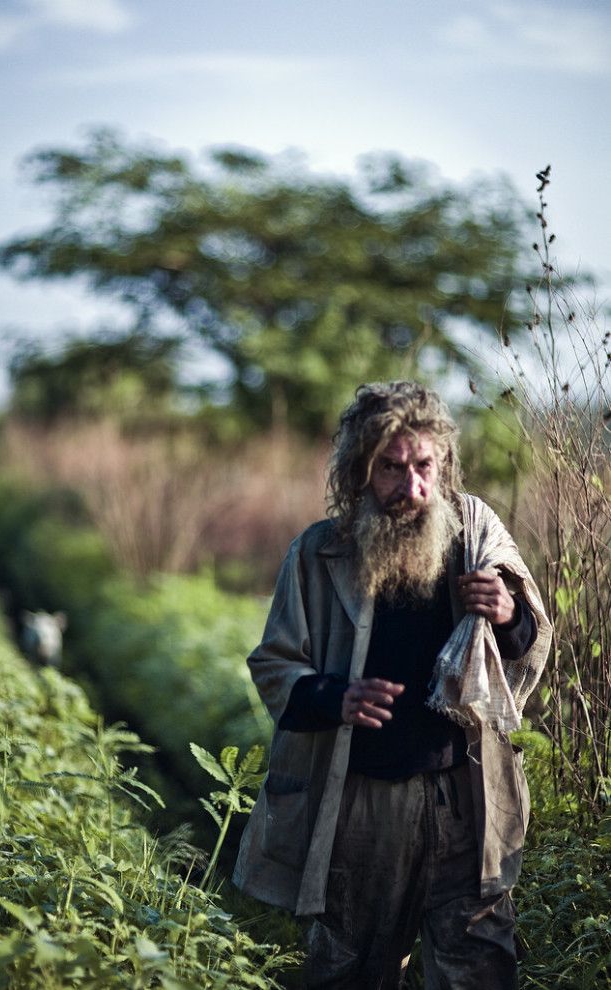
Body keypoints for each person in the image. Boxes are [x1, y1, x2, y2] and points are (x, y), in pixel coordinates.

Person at [233, 381, 552, 989]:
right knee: (353, 968)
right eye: (392, 468)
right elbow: (275, 666)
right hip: (362, 807)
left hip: (463, 799)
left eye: (424, 467)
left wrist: (508, 613)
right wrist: (336, 697)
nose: (412, 487)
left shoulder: (474, 539)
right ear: (360, 471)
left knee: (479, 966)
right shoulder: (318, 555)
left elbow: (529, 645)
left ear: (443, 464)